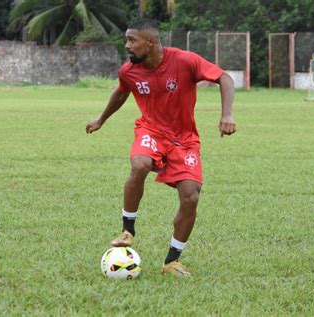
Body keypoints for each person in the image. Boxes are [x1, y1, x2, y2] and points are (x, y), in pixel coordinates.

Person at [86, 19, 236, 277]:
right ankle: (127, 231)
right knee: (140, 163)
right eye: (127, 40)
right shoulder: (128, 71)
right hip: (151, 130)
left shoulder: (185, 60)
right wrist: (101, 119)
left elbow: (224, 78)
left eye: (132, 40)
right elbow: (121, 93)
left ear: (151, 42)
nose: (127, 45)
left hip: (185, 140)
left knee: (191, 197)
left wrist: (227, 115)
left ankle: (171, 262)